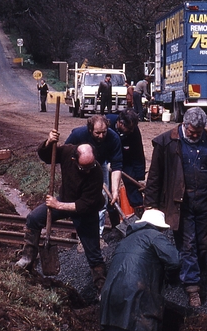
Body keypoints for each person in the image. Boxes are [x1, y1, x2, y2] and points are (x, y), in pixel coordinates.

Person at [143, 107, 207, 308]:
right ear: (184, 125)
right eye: (192, 132)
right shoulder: (166, 142)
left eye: (198, 132)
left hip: (206, 201)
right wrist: (150, 204)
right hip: (180, 203)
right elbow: (154, 176)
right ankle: (192, 288)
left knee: (202, 245)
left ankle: (192, 273)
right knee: (187, 244)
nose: (195, 135)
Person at [14, 130, 107, 291]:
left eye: (90, 166)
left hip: (86, 211)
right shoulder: (67, 152)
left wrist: (58, 205)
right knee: (34, 219)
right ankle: (27, 258)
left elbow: (85, 205)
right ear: (74, 159)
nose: (87, 171)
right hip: (64, 199)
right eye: (83, 168)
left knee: (93, 252)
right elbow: (46, 156)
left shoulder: (96, 171)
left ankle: (101, 287)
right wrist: (49, 142)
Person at [100, 209, 180, 331]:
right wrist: (171, 279)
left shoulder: (124, 241)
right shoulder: (154, 236)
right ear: (159, 227)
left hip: (110, 298)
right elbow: (174, 260)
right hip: (139, 298)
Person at [66, 115, 123, 231]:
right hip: (78, 164)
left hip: (100, 164)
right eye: (97, 133)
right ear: (90, 130)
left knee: (102, 199)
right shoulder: (78, 135)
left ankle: (98, 233)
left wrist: (115, 191)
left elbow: (117, 166)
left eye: (104, 132)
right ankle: (79, 228)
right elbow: (65, 152)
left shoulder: (113, 138)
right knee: (81, 196)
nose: (101, 136)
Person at [112, 109, 146, 213]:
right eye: (129, 129)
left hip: (126, 159)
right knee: (109, 190)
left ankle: (139, 212)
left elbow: (138, 154)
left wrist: (140, 177)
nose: (132, 131)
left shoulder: (133, 130)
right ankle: (114, 221)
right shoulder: (108, 123)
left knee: (133, 184)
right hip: (108, 159)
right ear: (120, 123)